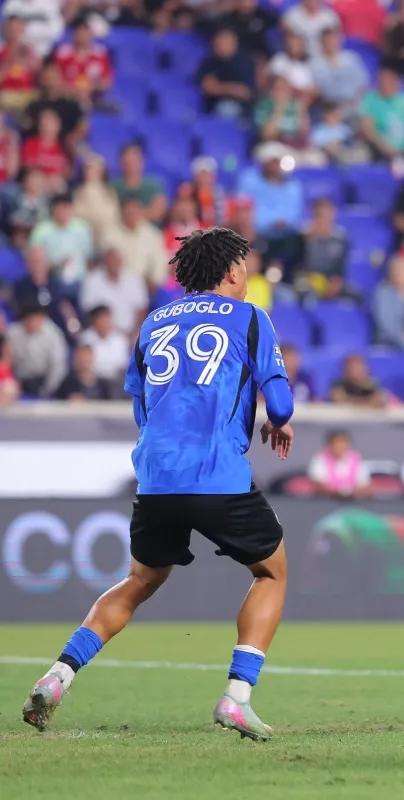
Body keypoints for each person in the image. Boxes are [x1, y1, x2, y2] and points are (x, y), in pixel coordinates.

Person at [21, 228, 296, 742]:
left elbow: (141, 408)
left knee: (139, 580)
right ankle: (236, 698)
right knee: (272, 573)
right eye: (245, 265)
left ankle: (57, 677)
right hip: (217, 476)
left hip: (156, 477)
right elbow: (280, 406)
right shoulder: (251, 317)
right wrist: (275, 420)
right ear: (233, 270)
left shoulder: (152, 323)